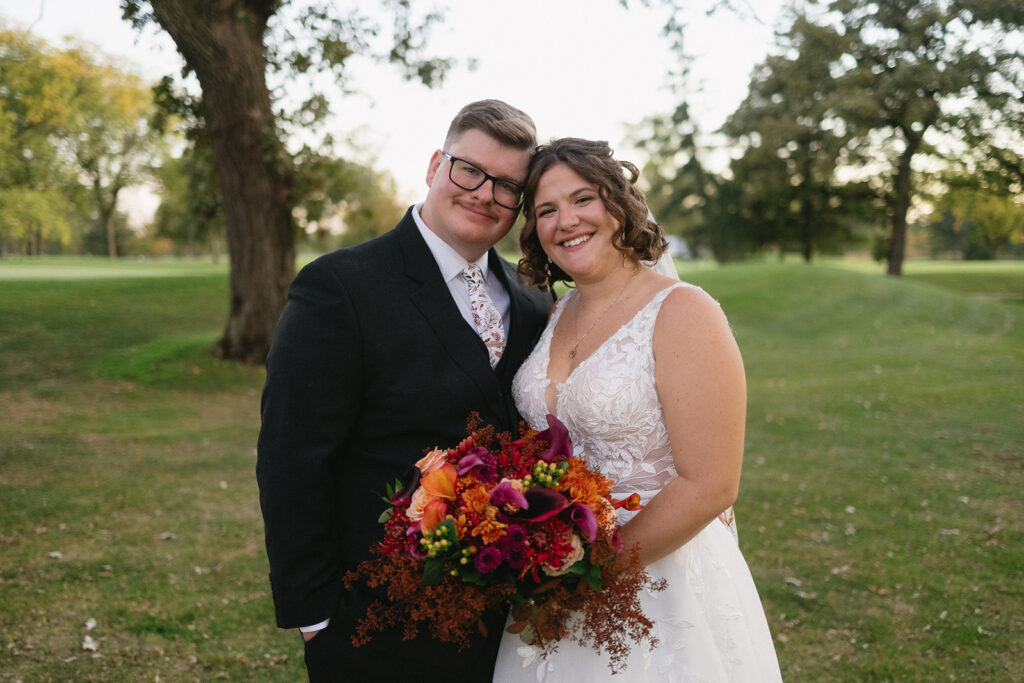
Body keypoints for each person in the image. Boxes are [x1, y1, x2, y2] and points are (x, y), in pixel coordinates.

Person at [256, 100, 553, 683]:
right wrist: (315, 618)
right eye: (469, 170)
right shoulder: (340, 286)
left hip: (506, 620)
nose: (483, 193)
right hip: (374, 623)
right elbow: (292, 460)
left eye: (507, 186)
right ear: (436, 165)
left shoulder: (532, 301)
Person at [492, 138, 783, 681]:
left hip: (662, 582)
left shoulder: (684, 311)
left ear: (620, 205)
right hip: (556, 569)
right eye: (546, 210)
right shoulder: (556, 313)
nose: (566, 221)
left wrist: (589, 578)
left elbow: (711, 485)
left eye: (583, 199)